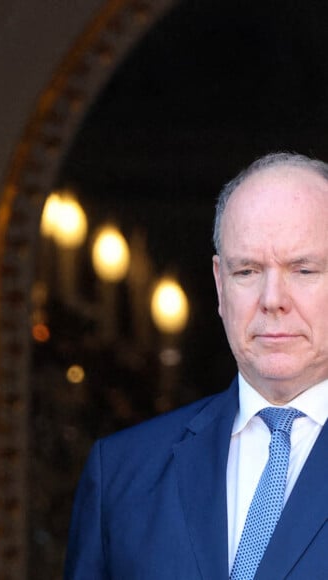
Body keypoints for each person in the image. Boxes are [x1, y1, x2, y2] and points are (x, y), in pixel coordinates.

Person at [64, 151, 328, 579]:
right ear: (220, 285)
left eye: (303, 269)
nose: (272, 299)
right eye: (247, 271)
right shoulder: (121, 472)